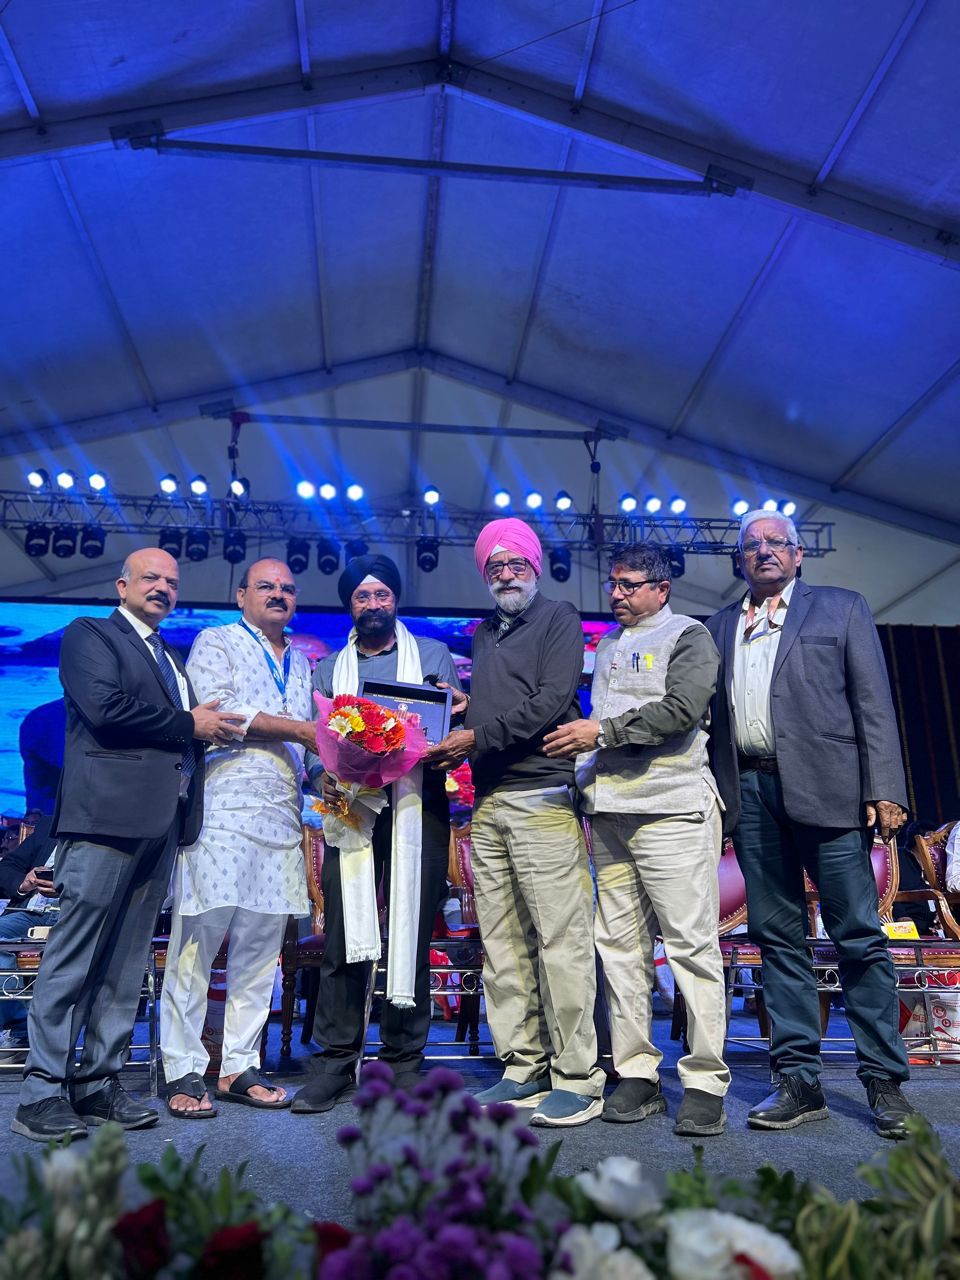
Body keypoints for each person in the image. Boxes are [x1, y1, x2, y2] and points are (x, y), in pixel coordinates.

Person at [12, 548, 243, 1142]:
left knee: (126, 961)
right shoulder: (90, 634)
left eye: (172, 581)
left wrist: (201, 736)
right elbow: (105, 708)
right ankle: (41, 1091)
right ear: (122, 585)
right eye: (150, 578)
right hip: (104, 820)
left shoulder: (168, 655)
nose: (162, 587)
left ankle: (97, 1082)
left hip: (160, 824)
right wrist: (190, 723)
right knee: (74, 956)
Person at [706, 510, 915, 1139]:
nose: (764, 551)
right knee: (778, 941)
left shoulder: (841, 608)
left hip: (831, 790)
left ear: (799, 555)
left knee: (858, 935)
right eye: (752, 545)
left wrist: (885, 787)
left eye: (777, 542)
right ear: (739, 560)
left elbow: (873, 703)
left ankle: (884, 1082)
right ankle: (798, 1081)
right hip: (750, 792)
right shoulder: (718, 626)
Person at [544, 543, 730, 1136]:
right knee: (619, 949)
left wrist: (600, 733)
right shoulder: (606, 645)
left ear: (661, 588)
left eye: (629, 585)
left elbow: (681, 711)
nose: (617, 594)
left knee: (690, 946)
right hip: (611, 812)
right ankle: (637, 1072)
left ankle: (704, 1080)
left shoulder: (689, 635)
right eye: (614, 584)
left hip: (673, 809)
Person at [427, 518, 604, 1128]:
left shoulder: (558, 617)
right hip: (489, 801)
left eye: (515, 563)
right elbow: (502, 705)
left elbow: (552, 700)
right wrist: (465, 710)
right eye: (495, 566)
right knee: (501, 945)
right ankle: (523, 1065)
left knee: (561, 941)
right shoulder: (484, 632)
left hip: (543, 795)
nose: (506, 574)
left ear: (534, 565)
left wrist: (475, 735)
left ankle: (577, 1076)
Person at [291, 554, 461, 1113]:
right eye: (362, 596)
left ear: (396, 600)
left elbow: (452, 726)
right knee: (343, 932)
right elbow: (315, 743)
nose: (373, 604)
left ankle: (403, 1062)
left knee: (412, 930)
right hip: (350, 807)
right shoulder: (327, 670)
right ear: (350, 605)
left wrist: (441, 738)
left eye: (382, 594)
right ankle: (335, 1061)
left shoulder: (432, 656)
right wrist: (327, 774)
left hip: (418, 804)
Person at [160, 559, 318, 1117]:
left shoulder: (301, 661)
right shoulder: (216, 640)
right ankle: (182, 1068)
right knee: (196, 947)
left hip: (281, 817)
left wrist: (334, 766)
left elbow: (307, 745)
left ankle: (238, 1066)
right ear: (241, 594)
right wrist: (303, 731)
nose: (278, 594)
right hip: (223, 811)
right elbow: (221, 714)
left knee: (260, 952)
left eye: (287, 589)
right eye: (266, 586)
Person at [0, 816, 59, 1054]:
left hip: (73, 914)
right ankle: (20, 1024)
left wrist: (69, 886)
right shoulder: (49, 825)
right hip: (31, 912)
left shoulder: (106, 829)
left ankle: (21, 1032)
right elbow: (7, 866)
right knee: (3, 942)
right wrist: (23, 883)